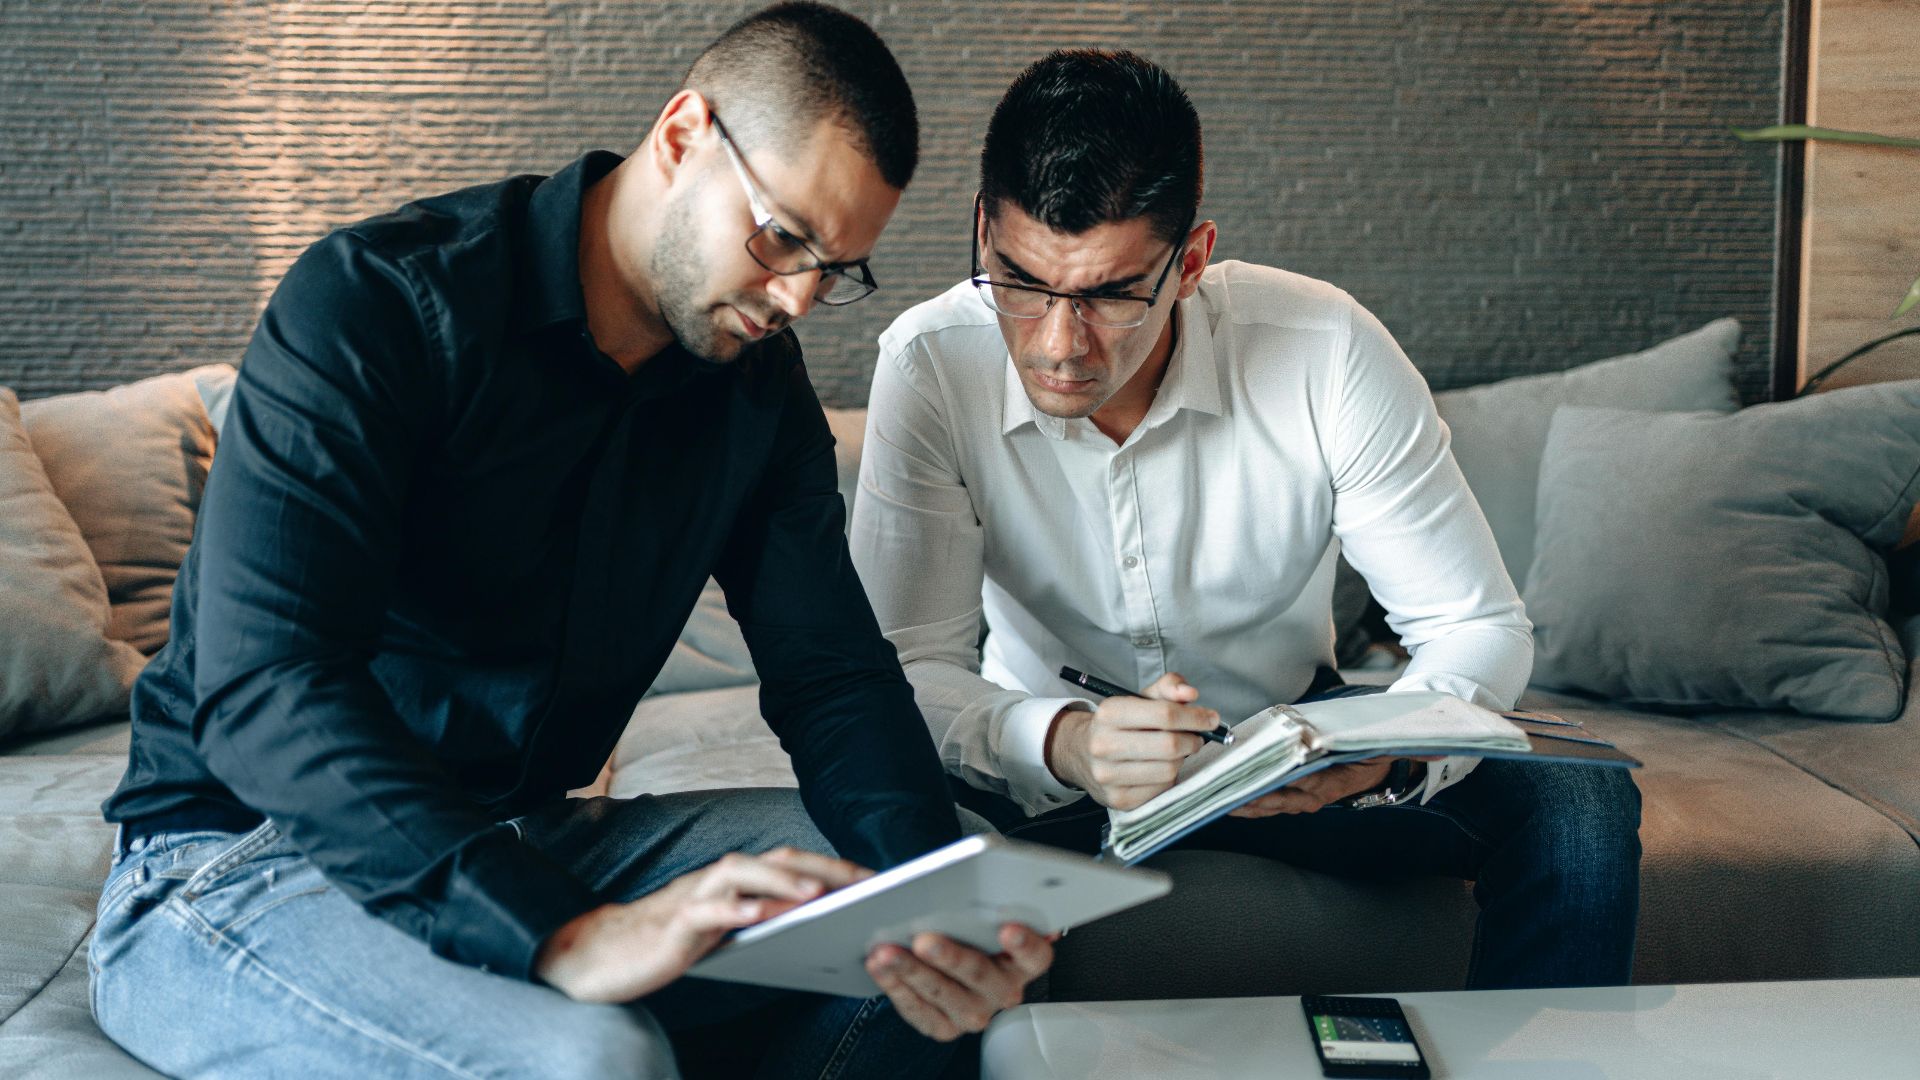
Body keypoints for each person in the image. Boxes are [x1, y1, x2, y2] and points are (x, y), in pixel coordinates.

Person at [91, 6, 1050, 1077]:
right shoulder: (380, 303)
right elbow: (267, 687)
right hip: (238, 857)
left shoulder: (753, 392)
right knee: (593, 1054)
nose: (798, 298)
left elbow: (831, 677)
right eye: (784, 238)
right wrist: (566, 933)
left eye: (838, 269)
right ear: (684, 135)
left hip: (521, 835)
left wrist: (930, 895)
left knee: (909, 904)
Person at [849, 48, 1642, 991]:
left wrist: (1386, 750)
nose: (1058, 345)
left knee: (1581, 796)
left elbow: (1474, 626)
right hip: (1048, 773)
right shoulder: (931, 363)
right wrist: (1064, 742)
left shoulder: (1325, 347)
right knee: (883, 817)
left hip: (1294, 749)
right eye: (1020, 281)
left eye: (1109, 294)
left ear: (1190, 261)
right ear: (983, 230)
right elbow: (903, 667)